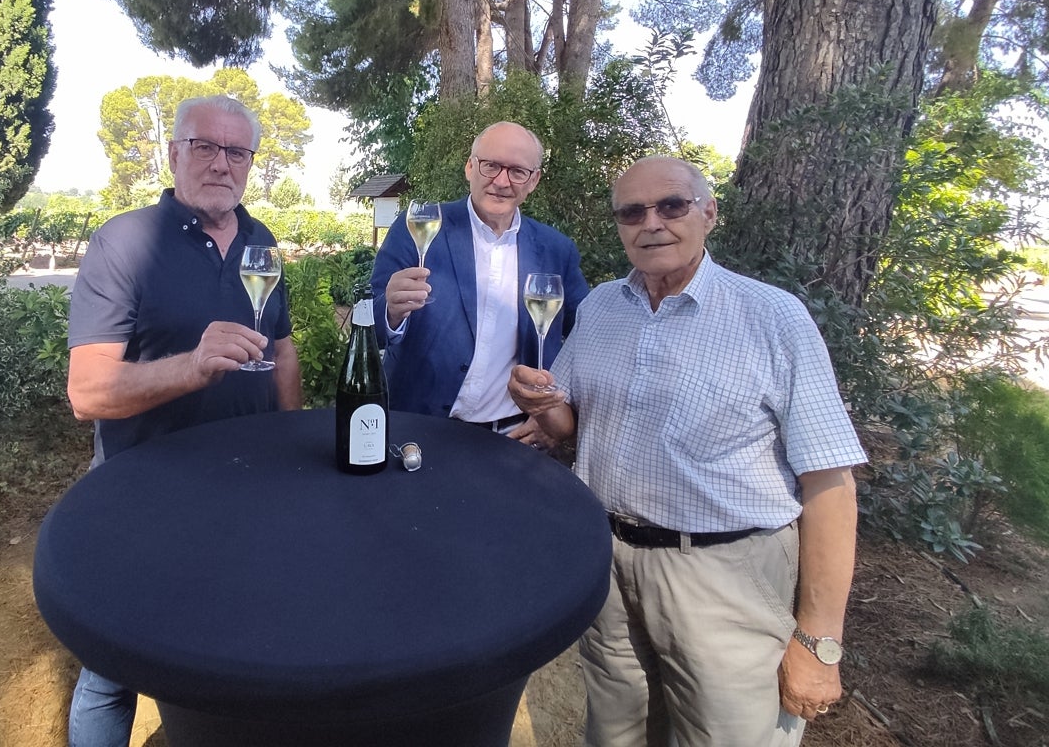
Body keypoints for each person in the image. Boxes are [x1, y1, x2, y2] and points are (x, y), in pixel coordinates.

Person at [508, 156, 864, 746]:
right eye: (632, 212)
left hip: (724, 576)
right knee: (616, 731)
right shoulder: (600, 308)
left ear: (708, 213)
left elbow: (829, 484)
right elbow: (568, 420)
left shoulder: (773, 317)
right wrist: (540, 403)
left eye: (671, 205)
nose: (652, 223)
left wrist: (819, 643)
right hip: (610, 565)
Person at [64, 95, 302, 747]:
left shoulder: (262, 242)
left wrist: (292, 441)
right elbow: (87, 392)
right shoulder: (125, 241)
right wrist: (192, 366)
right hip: (144, 495)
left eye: (237, 151)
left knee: (233, 648)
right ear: (173, 154)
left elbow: (279, 348)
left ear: (252, 162)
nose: (221, 163)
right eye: (204, 146)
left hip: (247, 492)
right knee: (112, 670)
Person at [369, 121, 588, 435]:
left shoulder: (556, 250)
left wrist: (551, 415)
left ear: (534, 180)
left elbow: (585, 336)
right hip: (417, 429)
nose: (501, 181)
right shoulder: (418, 228)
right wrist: (390, 310)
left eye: (517, 171)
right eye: (490, 166)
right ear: (470, 167)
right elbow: (368, 325)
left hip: (509, 438)